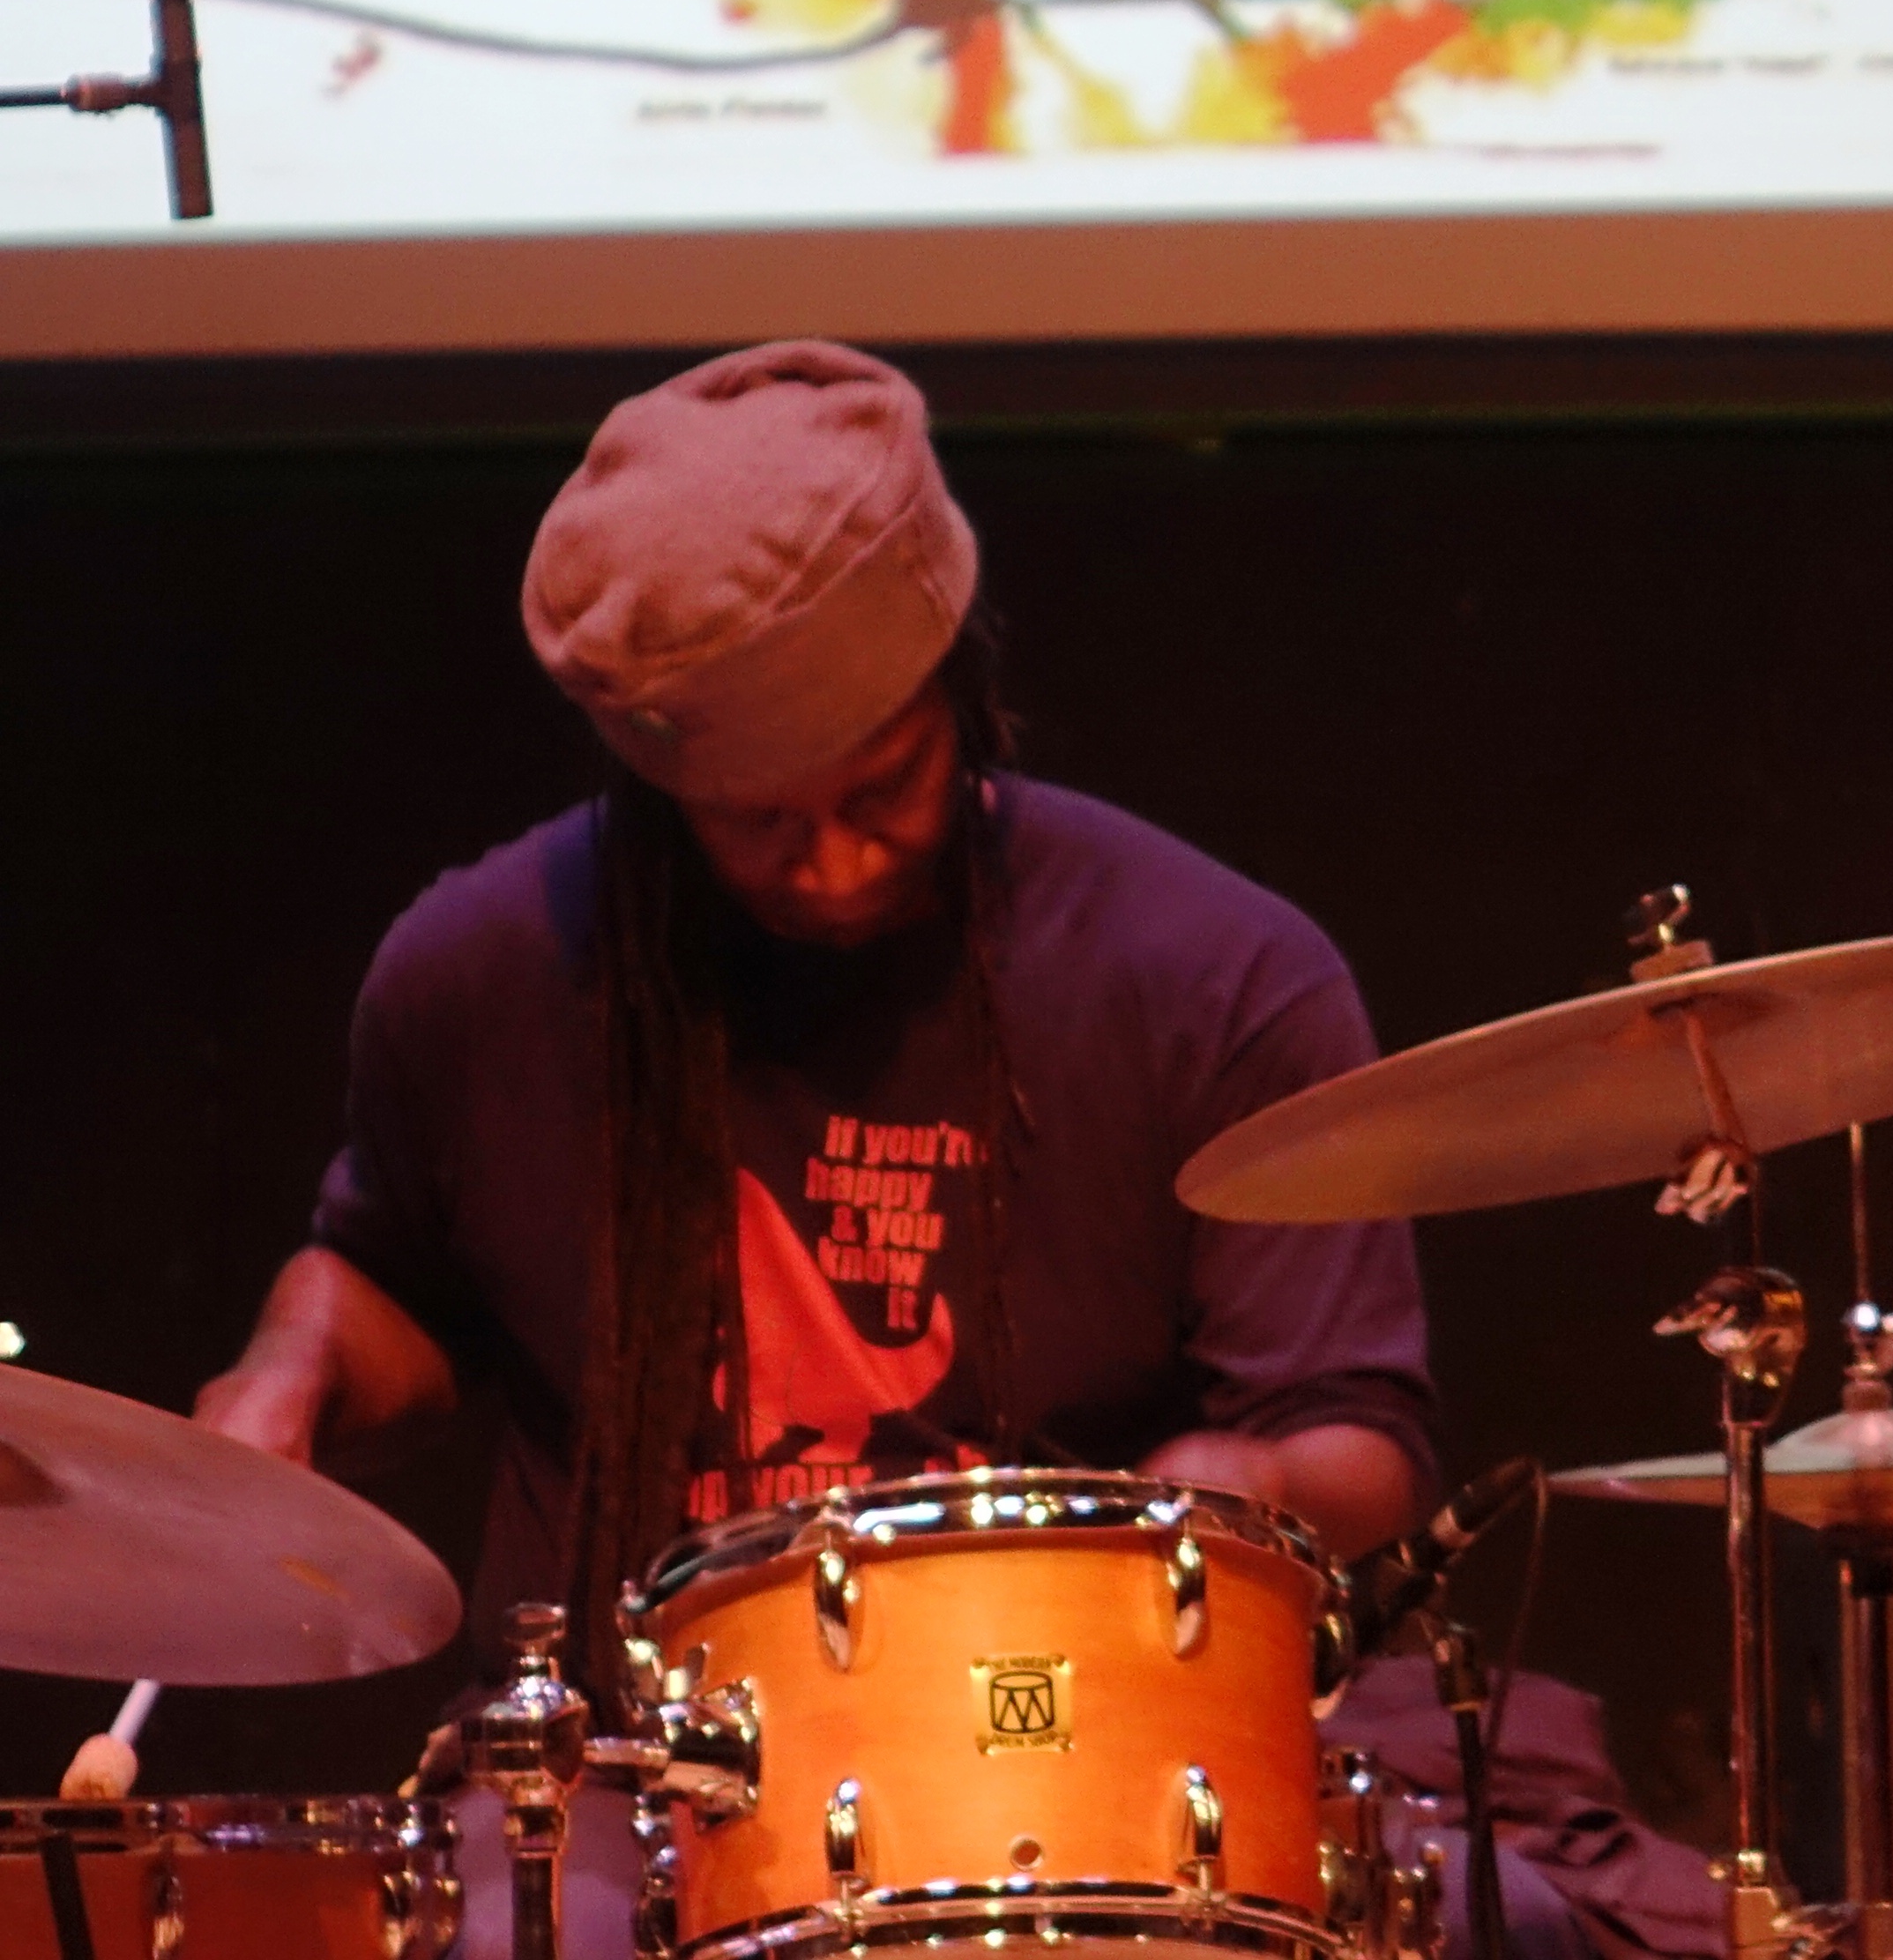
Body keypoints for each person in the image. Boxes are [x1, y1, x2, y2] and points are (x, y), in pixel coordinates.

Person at [175, 339, 1714, 1960]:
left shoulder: (1210, 973)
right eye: (762, 821)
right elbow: (394, 1277)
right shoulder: (485, 972)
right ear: (654, 790)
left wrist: (1244, 1481)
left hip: (1100, 1728)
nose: (832, 865)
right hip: (652, 1760)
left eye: (884, 789)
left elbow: (1359, 1434)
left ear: (964, 695)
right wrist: (295, 1369)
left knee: (1488, 1917)